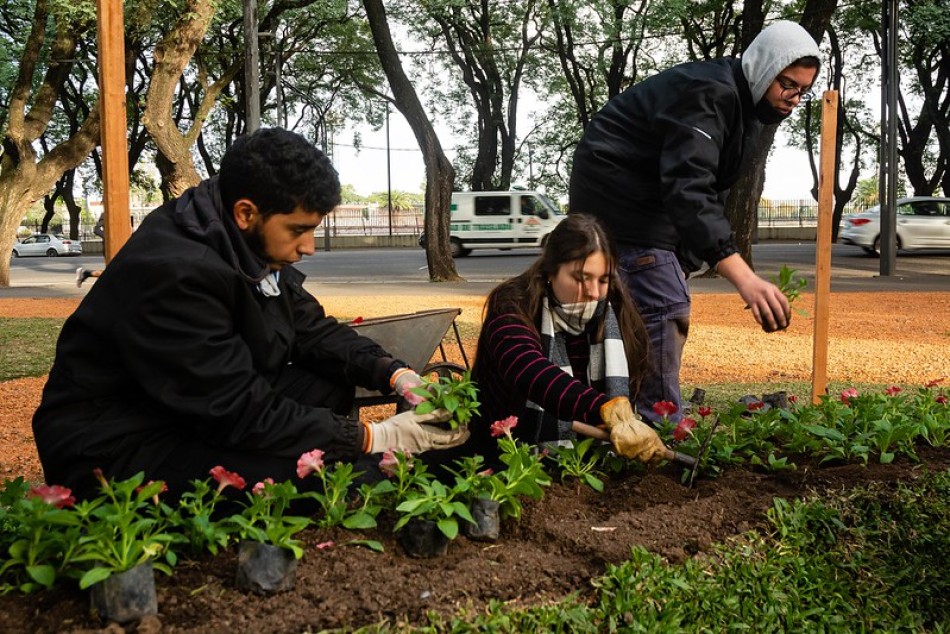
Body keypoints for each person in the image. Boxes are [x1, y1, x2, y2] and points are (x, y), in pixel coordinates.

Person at [33, 127, 468, 500]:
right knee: (320, 480)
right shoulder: (178, 272)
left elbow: (311, 329)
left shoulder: (245, 244)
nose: (309, 247)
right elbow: (233, 408)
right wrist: (376, 438)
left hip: (185, 407)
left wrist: (395, 374)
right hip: (117, 441)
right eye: (298, 230)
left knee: (326, 383)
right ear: (246, 212)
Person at [569, 20, 820, 424]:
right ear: (763, 66)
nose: (793, 98)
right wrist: (744, 276)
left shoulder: (742, 109)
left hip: (642, 209)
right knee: (664, 300)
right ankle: (658, 424)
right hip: (620, 205)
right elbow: (689, 187)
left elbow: (708, 189)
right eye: (787, 84)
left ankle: (617, 415)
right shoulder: (712, 92)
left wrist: (687, 259)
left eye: (802, 91)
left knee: (635, 311)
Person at [456, 213, 667, 466]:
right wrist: (603, 408)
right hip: (507, 460)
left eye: (604, 280)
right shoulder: (512, 304)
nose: (593, 293)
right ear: (550, 270)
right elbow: (528, 369)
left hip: (589, 465)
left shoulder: (614, 309)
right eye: (580, 278)